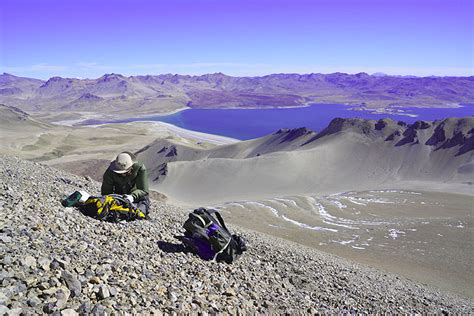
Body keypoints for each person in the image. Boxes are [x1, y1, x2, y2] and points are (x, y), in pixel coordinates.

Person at [101, 151, 151, 217]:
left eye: (125, 172)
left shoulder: (140, 168)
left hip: (137, 196)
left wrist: (132, 196)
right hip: (119, 197)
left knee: (140, 210)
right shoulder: (109, 173)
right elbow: (106, 193)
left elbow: (144, 190)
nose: (123, 174)